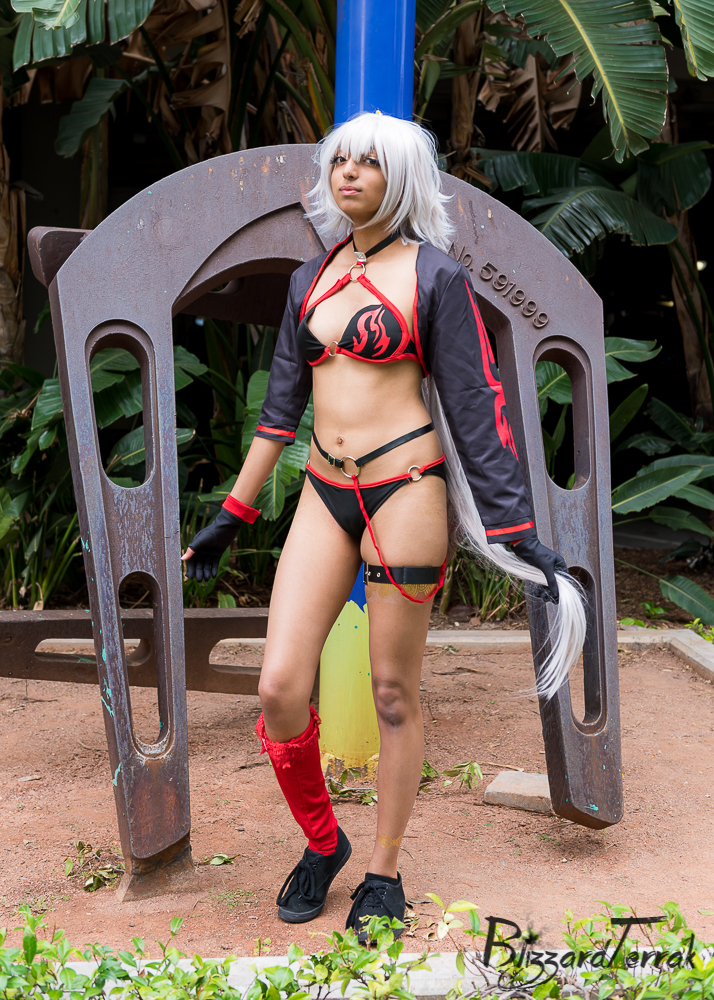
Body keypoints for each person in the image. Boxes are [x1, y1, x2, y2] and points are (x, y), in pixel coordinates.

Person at [182, 112, 585, 941]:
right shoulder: (309, 279)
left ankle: (384, 871)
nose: (350, 173)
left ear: (399, 177)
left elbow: (476, 409)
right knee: (278, 686)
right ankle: (322, 842)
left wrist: (515, 531)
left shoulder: (436, 277)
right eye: (340, 160)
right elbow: (278, 414)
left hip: (406, 492)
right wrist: (230, 516)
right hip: (323, 492)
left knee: (394, 694)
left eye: (369, 162)